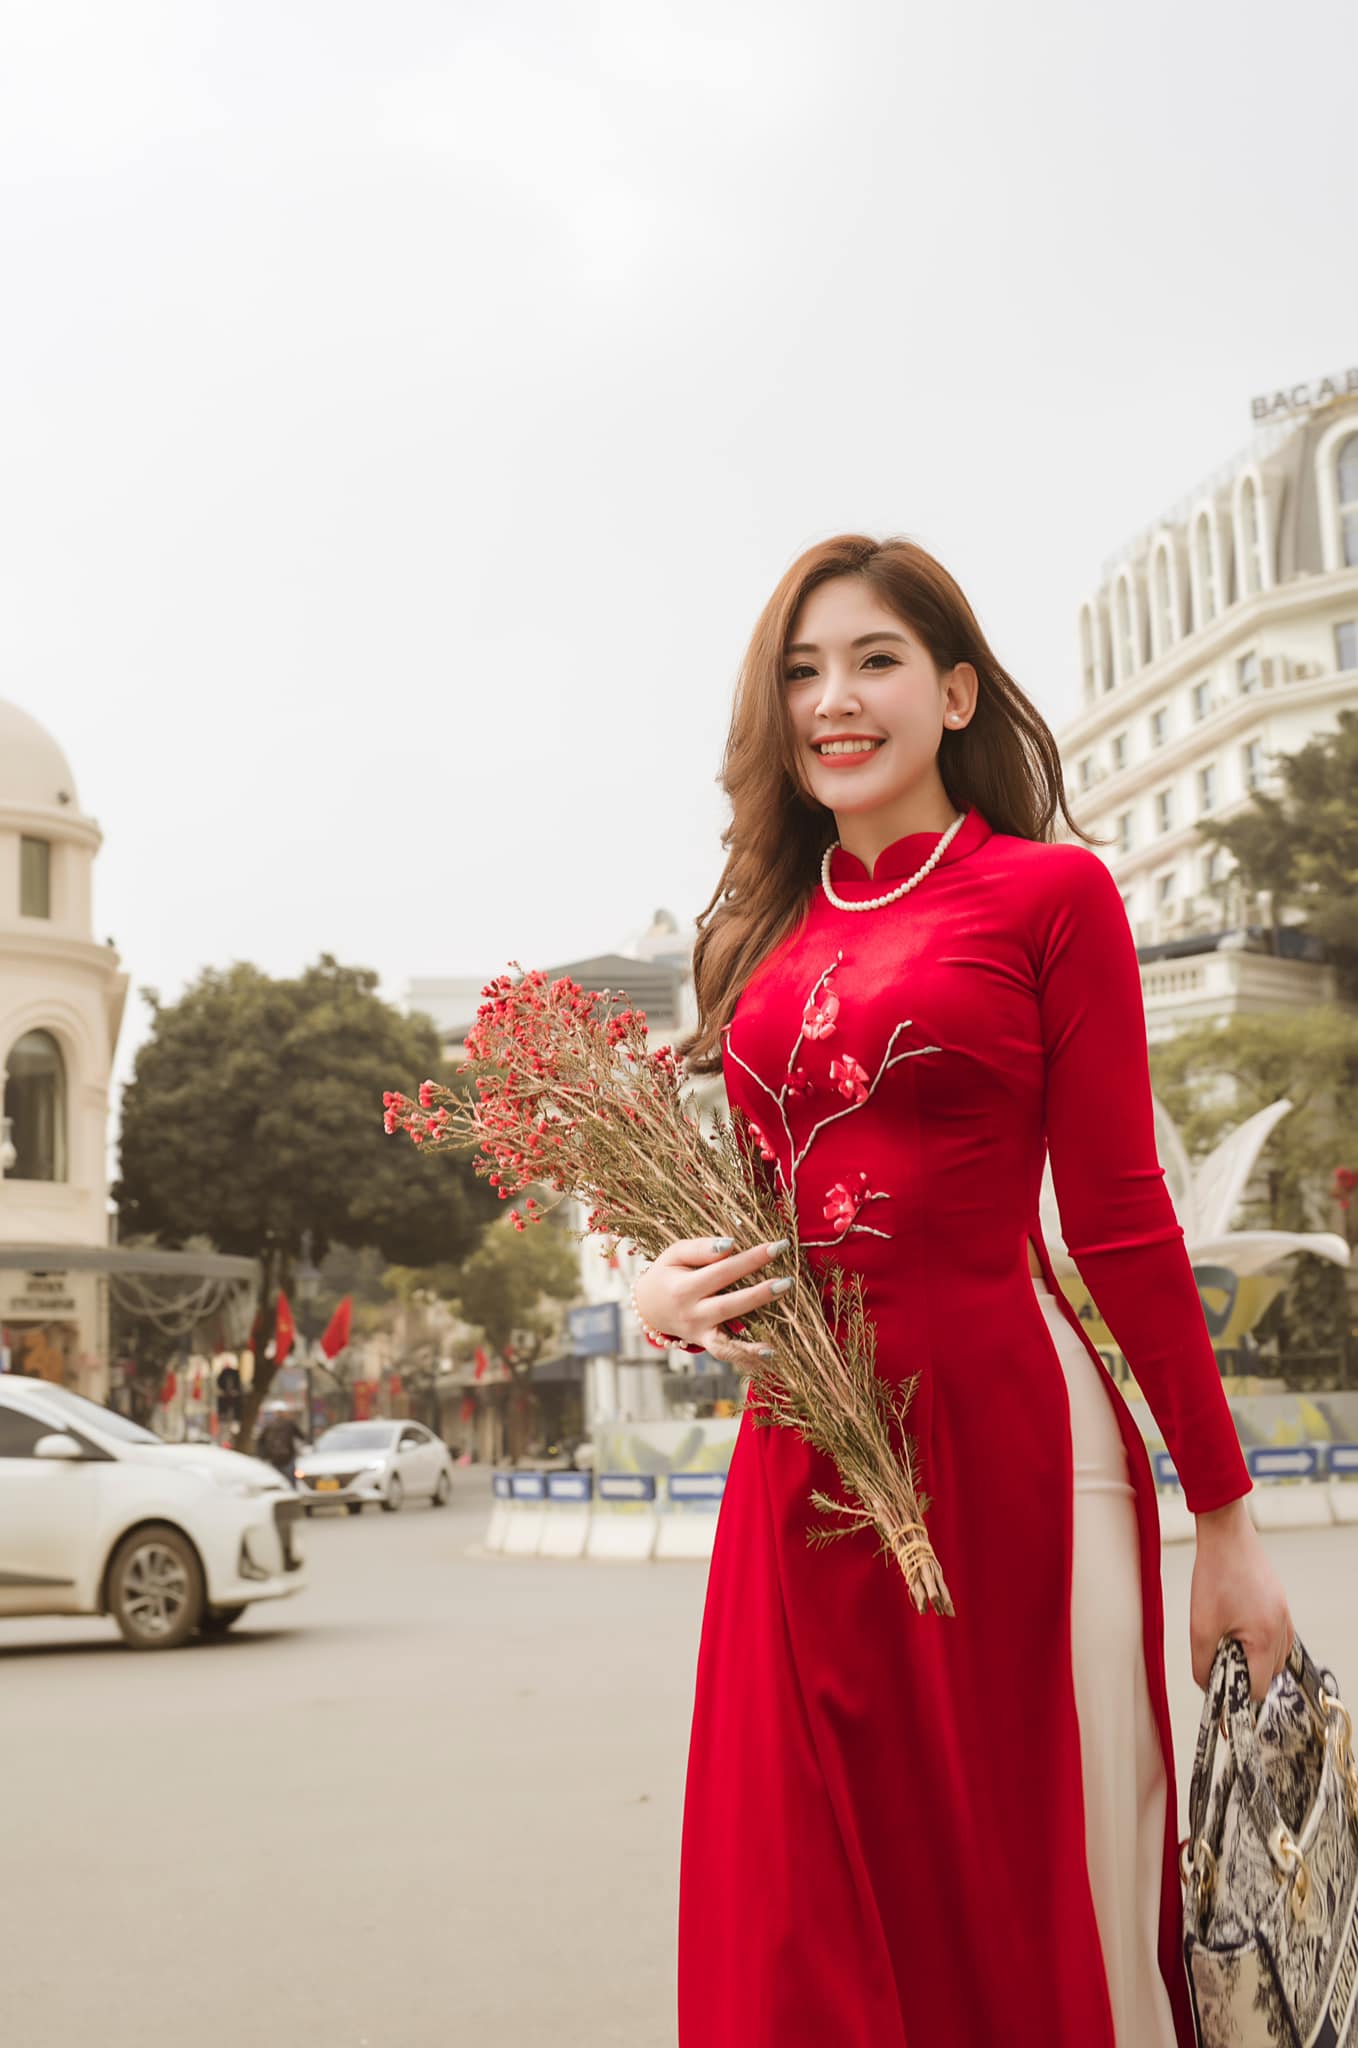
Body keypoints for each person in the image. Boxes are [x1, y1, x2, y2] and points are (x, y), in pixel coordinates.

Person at [638, 536, 1295, 2048]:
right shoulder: (756, 938)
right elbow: (740, 1216)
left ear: (952, 691)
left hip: (1006, 1447)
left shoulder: (1048, 896)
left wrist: (1227, 1523)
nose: (832, 701)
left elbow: (1123, 1217)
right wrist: (665, 1294)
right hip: (802, 1465)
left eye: (871, 661)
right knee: (799, 1902)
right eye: (800, 672)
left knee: (1008, 1884)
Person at [257, 1407, 304, 1486]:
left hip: (273, 1458)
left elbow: (260, 1441)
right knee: (290, 1483)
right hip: (288, 1457)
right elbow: (301, 1437)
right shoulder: (289, 1424)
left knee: (277, 1483)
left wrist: (263, 1456)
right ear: (285, 1414)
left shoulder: (269, 1425)